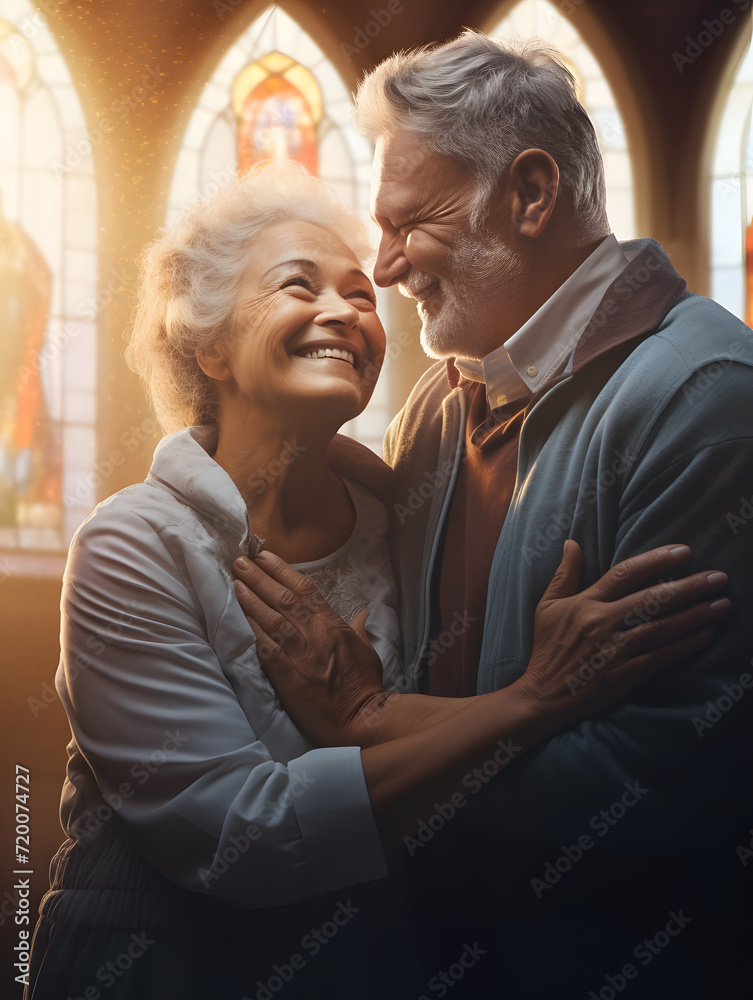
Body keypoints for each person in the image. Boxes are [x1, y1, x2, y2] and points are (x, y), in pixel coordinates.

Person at [23, 161, 728, 1000]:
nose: (343, 311)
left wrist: (378, 719)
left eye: (361, 295)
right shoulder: (129, 546)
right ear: (207, 343)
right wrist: (534, 699)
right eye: (297, 285)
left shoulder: (402, 511)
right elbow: (239, 841)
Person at [234, 31, 753, 1000]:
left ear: (530, 193)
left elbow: (676, 782)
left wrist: (366, 723)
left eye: (410, 224)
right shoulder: (441, 398)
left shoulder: (708, 395)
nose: (383, 268)